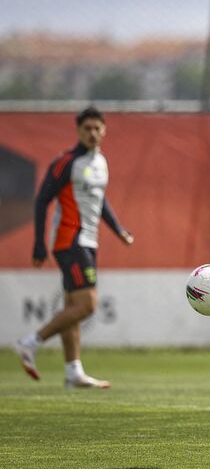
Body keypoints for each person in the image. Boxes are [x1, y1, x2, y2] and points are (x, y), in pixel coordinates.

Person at [14, 106, 134, 389]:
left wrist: (119, 231)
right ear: (78, 131)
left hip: (89, 241)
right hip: (71, 240)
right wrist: (38, 244)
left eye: (97, 128)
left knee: (72, 305)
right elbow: (42, 200)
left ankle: (73, 371)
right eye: (87, 128)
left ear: (104, 130)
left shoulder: (101, 162)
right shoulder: (66, 162)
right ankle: (30, 343)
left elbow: (100, 201)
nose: (92, 133)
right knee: (88, 304)